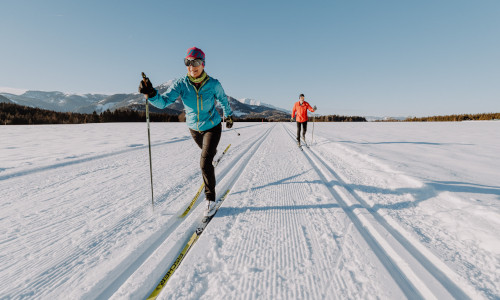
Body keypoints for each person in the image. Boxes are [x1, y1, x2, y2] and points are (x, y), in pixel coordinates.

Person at [139, 47, 234, 217]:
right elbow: (164, 102)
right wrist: (151, 93)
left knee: (204, 163)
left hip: (212, 125)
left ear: (203, 64)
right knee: (208, 155)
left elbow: (223, 99)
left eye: (196, 63)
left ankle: (210, 199)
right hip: (194, 129)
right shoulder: (181, 84)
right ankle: (214, 154)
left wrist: (228, 116)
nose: (192, 67)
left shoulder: (213, 84)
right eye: (188, 63)